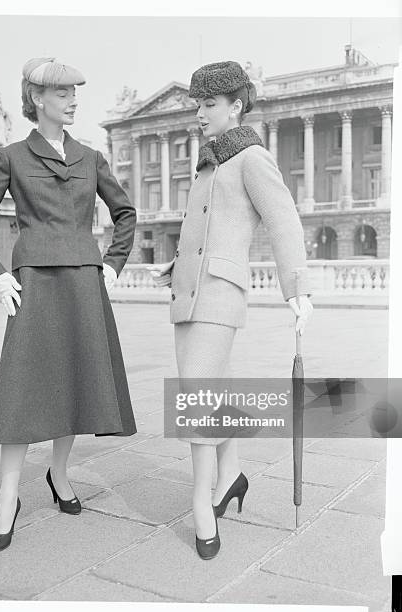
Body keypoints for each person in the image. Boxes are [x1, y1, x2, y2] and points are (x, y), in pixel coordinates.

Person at [0, 57, 137, 553]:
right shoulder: (13, 156)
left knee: (76, 380)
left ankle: (59, 475)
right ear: (37, 98)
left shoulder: (91, 157)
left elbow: (125, 212)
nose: (73, 100)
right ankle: (8, 495)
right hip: (34, 282)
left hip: (84, 281)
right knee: (21, 387)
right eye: (63, 94)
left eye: (75, 93)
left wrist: (112, 263)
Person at [150, 61, 313, 560]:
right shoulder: (210, 162)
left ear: (235, 106)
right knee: (214, 391)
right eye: (197, 104)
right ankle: (232, 476)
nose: (198, 114)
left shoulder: (251, 158)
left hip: (219, 295)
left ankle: (201, 503)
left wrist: (297, 289)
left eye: (208, 104)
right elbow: (202, 228)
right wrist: (174, 267)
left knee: (195, 395)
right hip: (188, 295)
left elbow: (283, 219)